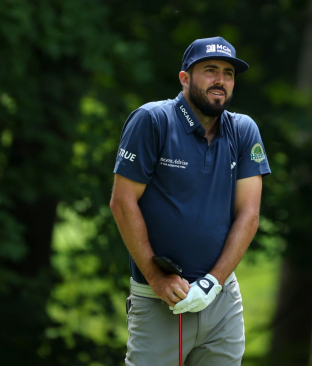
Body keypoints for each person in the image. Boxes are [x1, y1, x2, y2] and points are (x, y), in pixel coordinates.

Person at [110, 36, 271, 366]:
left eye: (228, 73)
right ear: (185, 78)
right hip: (159, 300)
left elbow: (249, 214)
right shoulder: (153, 121)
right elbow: (122, 202)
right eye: (209, 70)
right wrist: (157, 279)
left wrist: (213, 282)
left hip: (222, 300)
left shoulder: (244, 130)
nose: (220, 80)